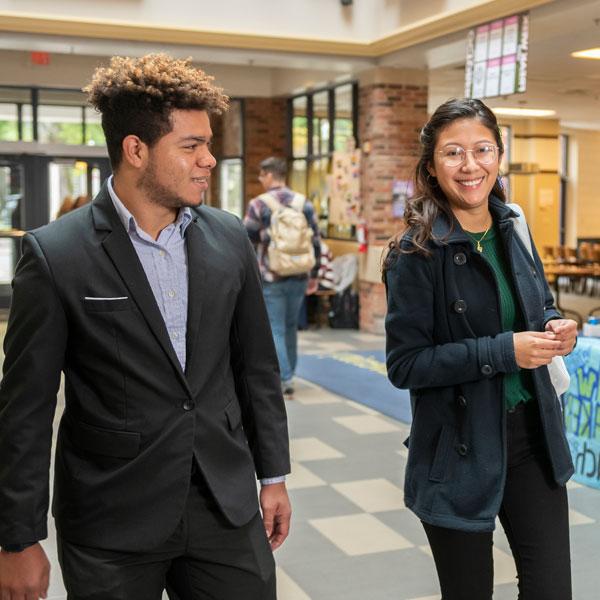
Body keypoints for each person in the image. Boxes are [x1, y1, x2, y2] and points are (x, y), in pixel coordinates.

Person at [0, 53, 291, 600]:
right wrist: (17, 538)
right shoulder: (57, 253)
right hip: (113, 516)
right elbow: (26, 409)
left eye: (208, 143)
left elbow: (255, 366)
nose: (209, 159)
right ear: (135, 149)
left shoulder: (229, 237)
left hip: (223, 504)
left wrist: (273, 475)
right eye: (191, 146)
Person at [383, 98, 577, 600]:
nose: (470, 166)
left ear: (499, 154)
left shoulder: (513, 226)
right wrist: (503, 351)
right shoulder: (415, 251)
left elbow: (540, 304)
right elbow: (405, 365)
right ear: (431, 166)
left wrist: (558, 327)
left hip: (532, 435)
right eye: (453, 153)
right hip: (460, 444)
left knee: (551, 588)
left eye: (482, 150)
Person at [244, 157, 320, 396]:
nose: (260, 179)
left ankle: (285, 378)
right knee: (289, 326)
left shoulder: (259, 204)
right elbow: (315, 240)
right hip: (299, 273)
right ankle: (291, 372)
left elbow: (247, 237)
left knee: (275, 327)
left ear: (269, 175)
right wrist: (314, 275)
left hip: (272, 274)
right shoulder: (303, 203)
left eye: (261, 175)